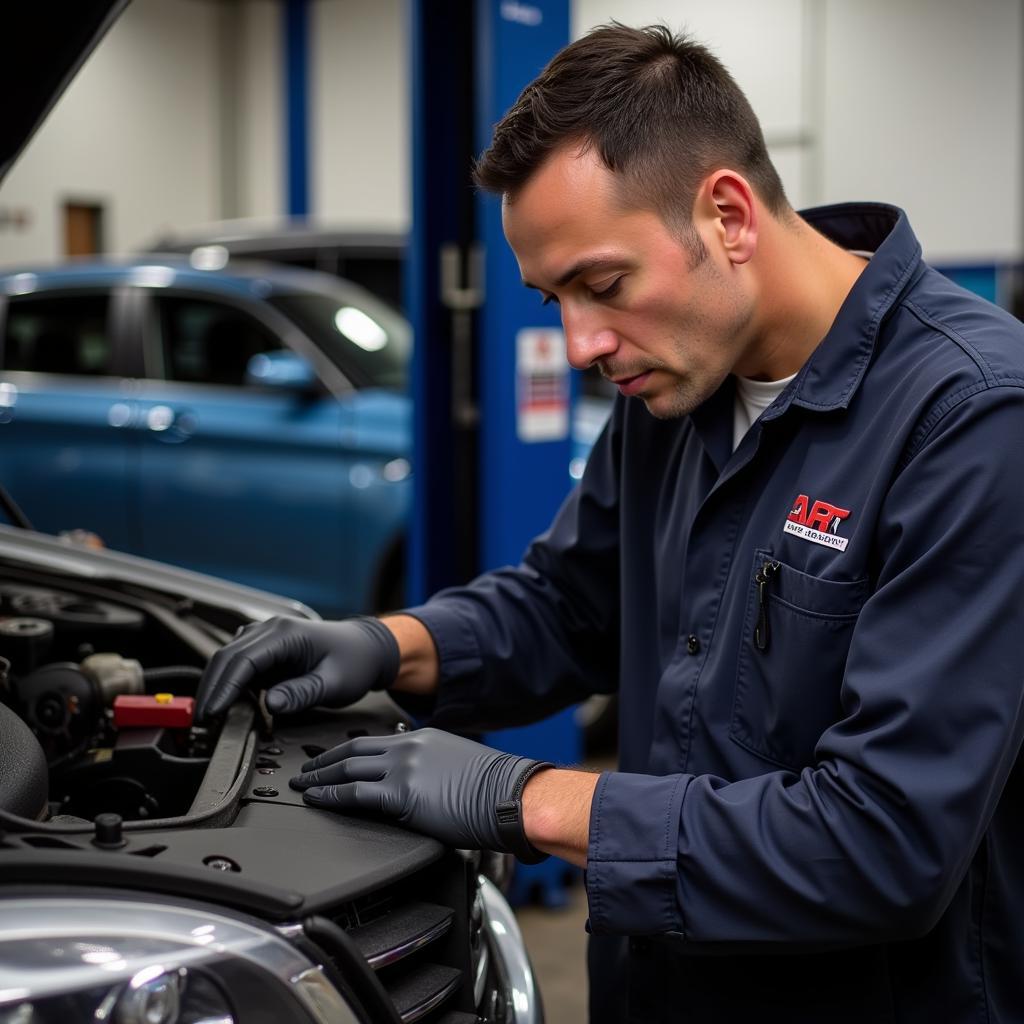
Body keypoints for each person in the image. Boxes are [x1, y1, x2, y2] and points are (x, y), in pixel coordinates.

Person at [195, 23, 1024, 1024]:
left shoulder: (971, 419)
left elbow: (883, 839)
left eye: (602, 284)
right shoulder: (675, 388)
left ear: (726, 214)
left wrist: (532, 798)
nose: (580, 342)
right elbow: (566, 604)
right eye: (553, 298)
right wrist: (386, 645)